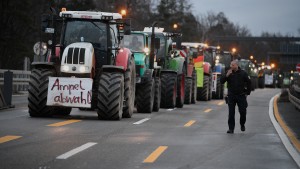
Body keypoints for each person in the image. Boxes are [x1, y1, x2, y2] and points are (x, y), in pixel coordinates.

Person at [221, 60, 251, 134]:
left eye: (233, 65)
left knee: (243, 112)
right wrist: (226, 75)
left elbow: (249, 82)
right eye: (231, 65)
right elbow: (221, 81)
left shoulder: (243, 73)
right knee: (231, 113)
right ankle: (231, 129)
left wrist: (247, 92)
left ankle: (242, 124)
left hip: (241, 95)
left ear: (237, 65)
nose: (231, 66)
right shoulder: (229, 73)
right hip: (231, 96)